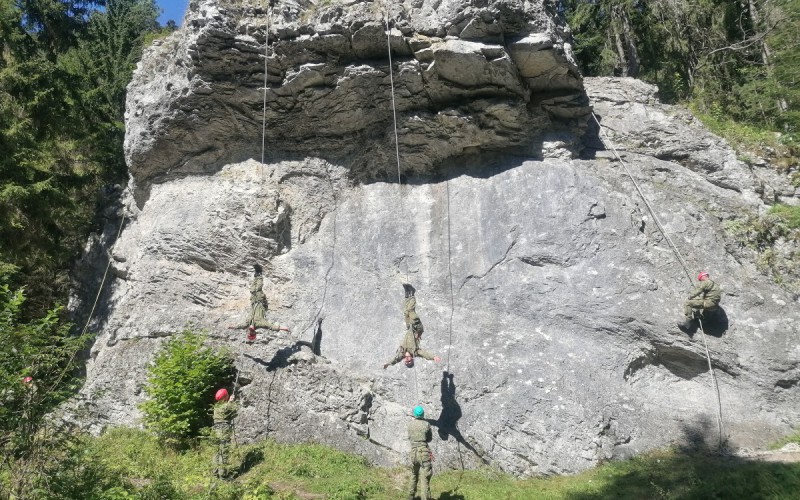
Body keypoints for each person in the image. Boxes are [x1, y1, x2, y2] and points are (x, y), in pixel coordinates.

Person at [384, 284, 441, 368]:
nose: (408, 360)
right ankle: (412, 294)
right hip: (417, 329)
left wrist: (388, 364)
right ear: (412, 359)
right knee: (411, 311)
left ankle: (407, 294)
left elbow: (395, 360)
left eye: (407, 361)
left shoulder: (401, 354)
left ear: (404, 360)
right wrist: (433, 357)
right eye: (410, 361)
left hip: (409, 327)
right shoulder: (416, 352)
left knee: (406, 312)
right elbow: (425, 354)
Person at [229, 263, 289, 335]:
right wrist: (282, 328)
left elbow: (239, 326)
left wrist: (232, 326)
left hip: (254, 301)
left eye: (250, 331)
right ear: (254, 331)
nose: (251, 330)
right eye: (252, 331)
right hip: (261, 302)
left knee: (252, 290)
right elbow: (270, 326)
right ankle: (260, 274)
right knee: (258, 290)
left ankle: (256, 275)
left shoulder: (247, 323)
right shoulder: (260, 323)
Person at [407, 405, 433, 500]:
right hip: (423, 453)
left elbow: (409, 437)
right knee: (424, 477)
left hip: (413, 453)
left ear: (414, 414)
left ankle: (410, 496)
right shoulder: (426, 424)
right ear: (423, 414)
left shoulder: (410, 425)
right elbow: (429, 439)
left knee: (414, 474)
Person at [212, 388, 238, 479]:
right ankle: (223, 475)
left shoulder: (216, 406)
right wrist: (231, 401)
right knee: (224, 451)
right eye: (227, 395)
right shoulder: (225, 406)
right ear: (224, 397)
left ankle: (215, 473)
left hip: (215, 430)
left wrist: (229, 403)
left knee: (217, 452)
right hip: (223, 430)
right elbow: (230, 410)